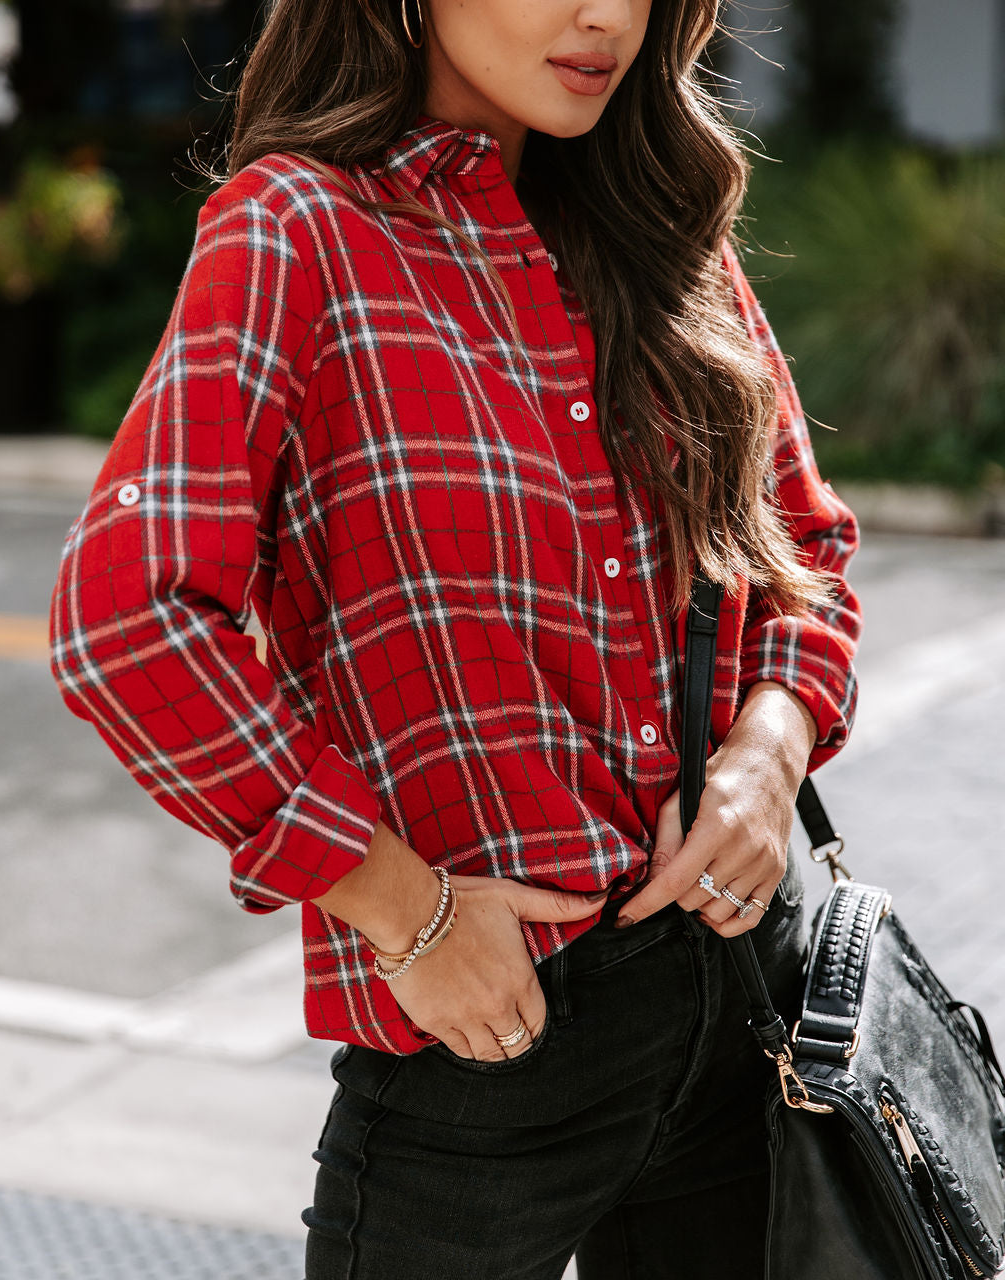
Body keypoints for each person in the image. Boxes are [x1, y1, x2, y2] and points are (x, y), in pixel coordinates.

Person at [49, 0, 863, 1275]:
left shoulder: (650, 225)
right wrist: (405, 912)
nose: (607, 17)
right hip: (494, 1037)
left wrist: (772, 743)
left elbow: (804, 542)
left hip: (743, 1010)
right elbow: (124, 621)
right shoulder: (296, 233)